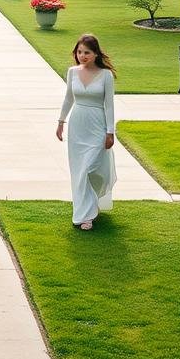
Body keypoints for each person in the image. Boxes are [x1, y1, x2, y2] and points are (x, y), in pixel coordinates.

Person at [56, 34, 118, 230]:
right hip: (78, 126)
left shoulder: (105, 75)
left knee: (91, 168)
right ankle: (86, 214)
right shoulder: (72, 72)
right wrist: (60, 122)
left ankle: (90, 207)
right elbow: (68, 99)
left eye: (87, 52)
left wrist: (110, 132)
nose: (82, 56)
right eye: (80, 52)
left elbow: (109, 105)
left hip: (97, 125)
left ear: (96, 54)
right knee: (79, 171)